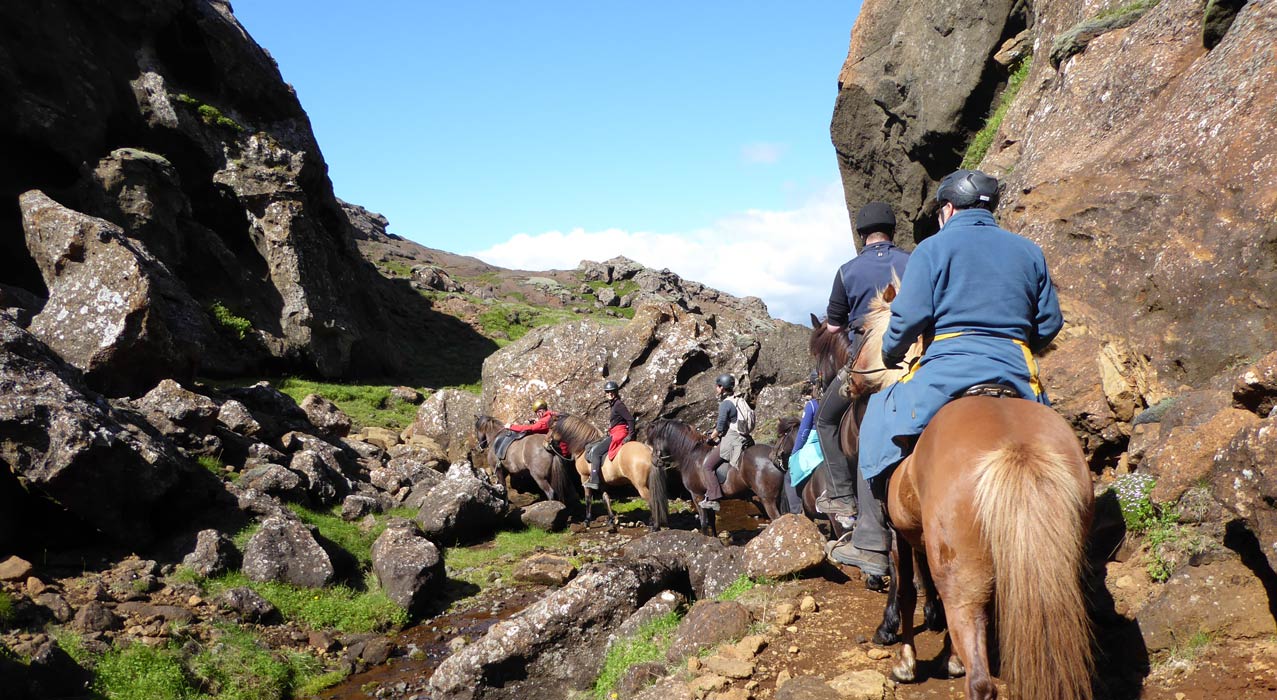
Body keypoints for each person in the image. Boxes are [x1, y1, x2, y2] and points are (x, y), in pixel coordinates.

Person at [829, 169, 1064, 576]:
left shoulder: (933, 250)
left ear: (949, 209)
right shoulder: (1028, 251)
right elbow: (1049, 323)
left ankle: (869, 538)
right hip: (1018, 371)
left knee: (875, 423)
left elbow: (908, 319)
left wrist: (891, 349)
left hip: (947, 371)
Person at [814, 202, 910, 519]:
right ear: (892, 231)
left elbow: (833, 327)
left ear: (862, 235)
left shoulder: (847, 271)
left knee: (825, 420)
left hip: (867, 364)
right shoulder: (912, 262)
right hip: (911, 359)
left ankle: (842, 494)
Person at [698, 374, 753, 511]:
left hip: (732, 440)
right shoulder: (739, 400)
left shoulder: (726, 404)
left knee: (707, 466)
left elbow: (720, 427)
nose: (716, 388)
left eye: (717, 386)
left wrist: (710, 439)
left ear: (722, 387)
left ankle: (714, 498)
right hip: (746, 438)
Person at [583, 380, 635, 490]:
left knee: (596, 452)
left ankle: (595, 481)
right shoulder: (614, 404)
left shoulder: (619, 405)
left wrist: (630, 435)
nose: (609, 394)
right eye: (607, 392)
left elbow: (630, 419)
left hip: (619, 434)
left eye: (612, 392)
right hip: (615, 432)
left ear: (616, 392)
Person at [783, 373, 822, 515]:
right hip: (833, 442)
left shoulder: (812, 405)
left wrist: (795, 453)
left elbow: (803, 432)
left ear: (813, 385)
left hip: (815, 445)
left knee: (788, 477)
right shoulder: (836, 399)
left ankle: (796, 513)